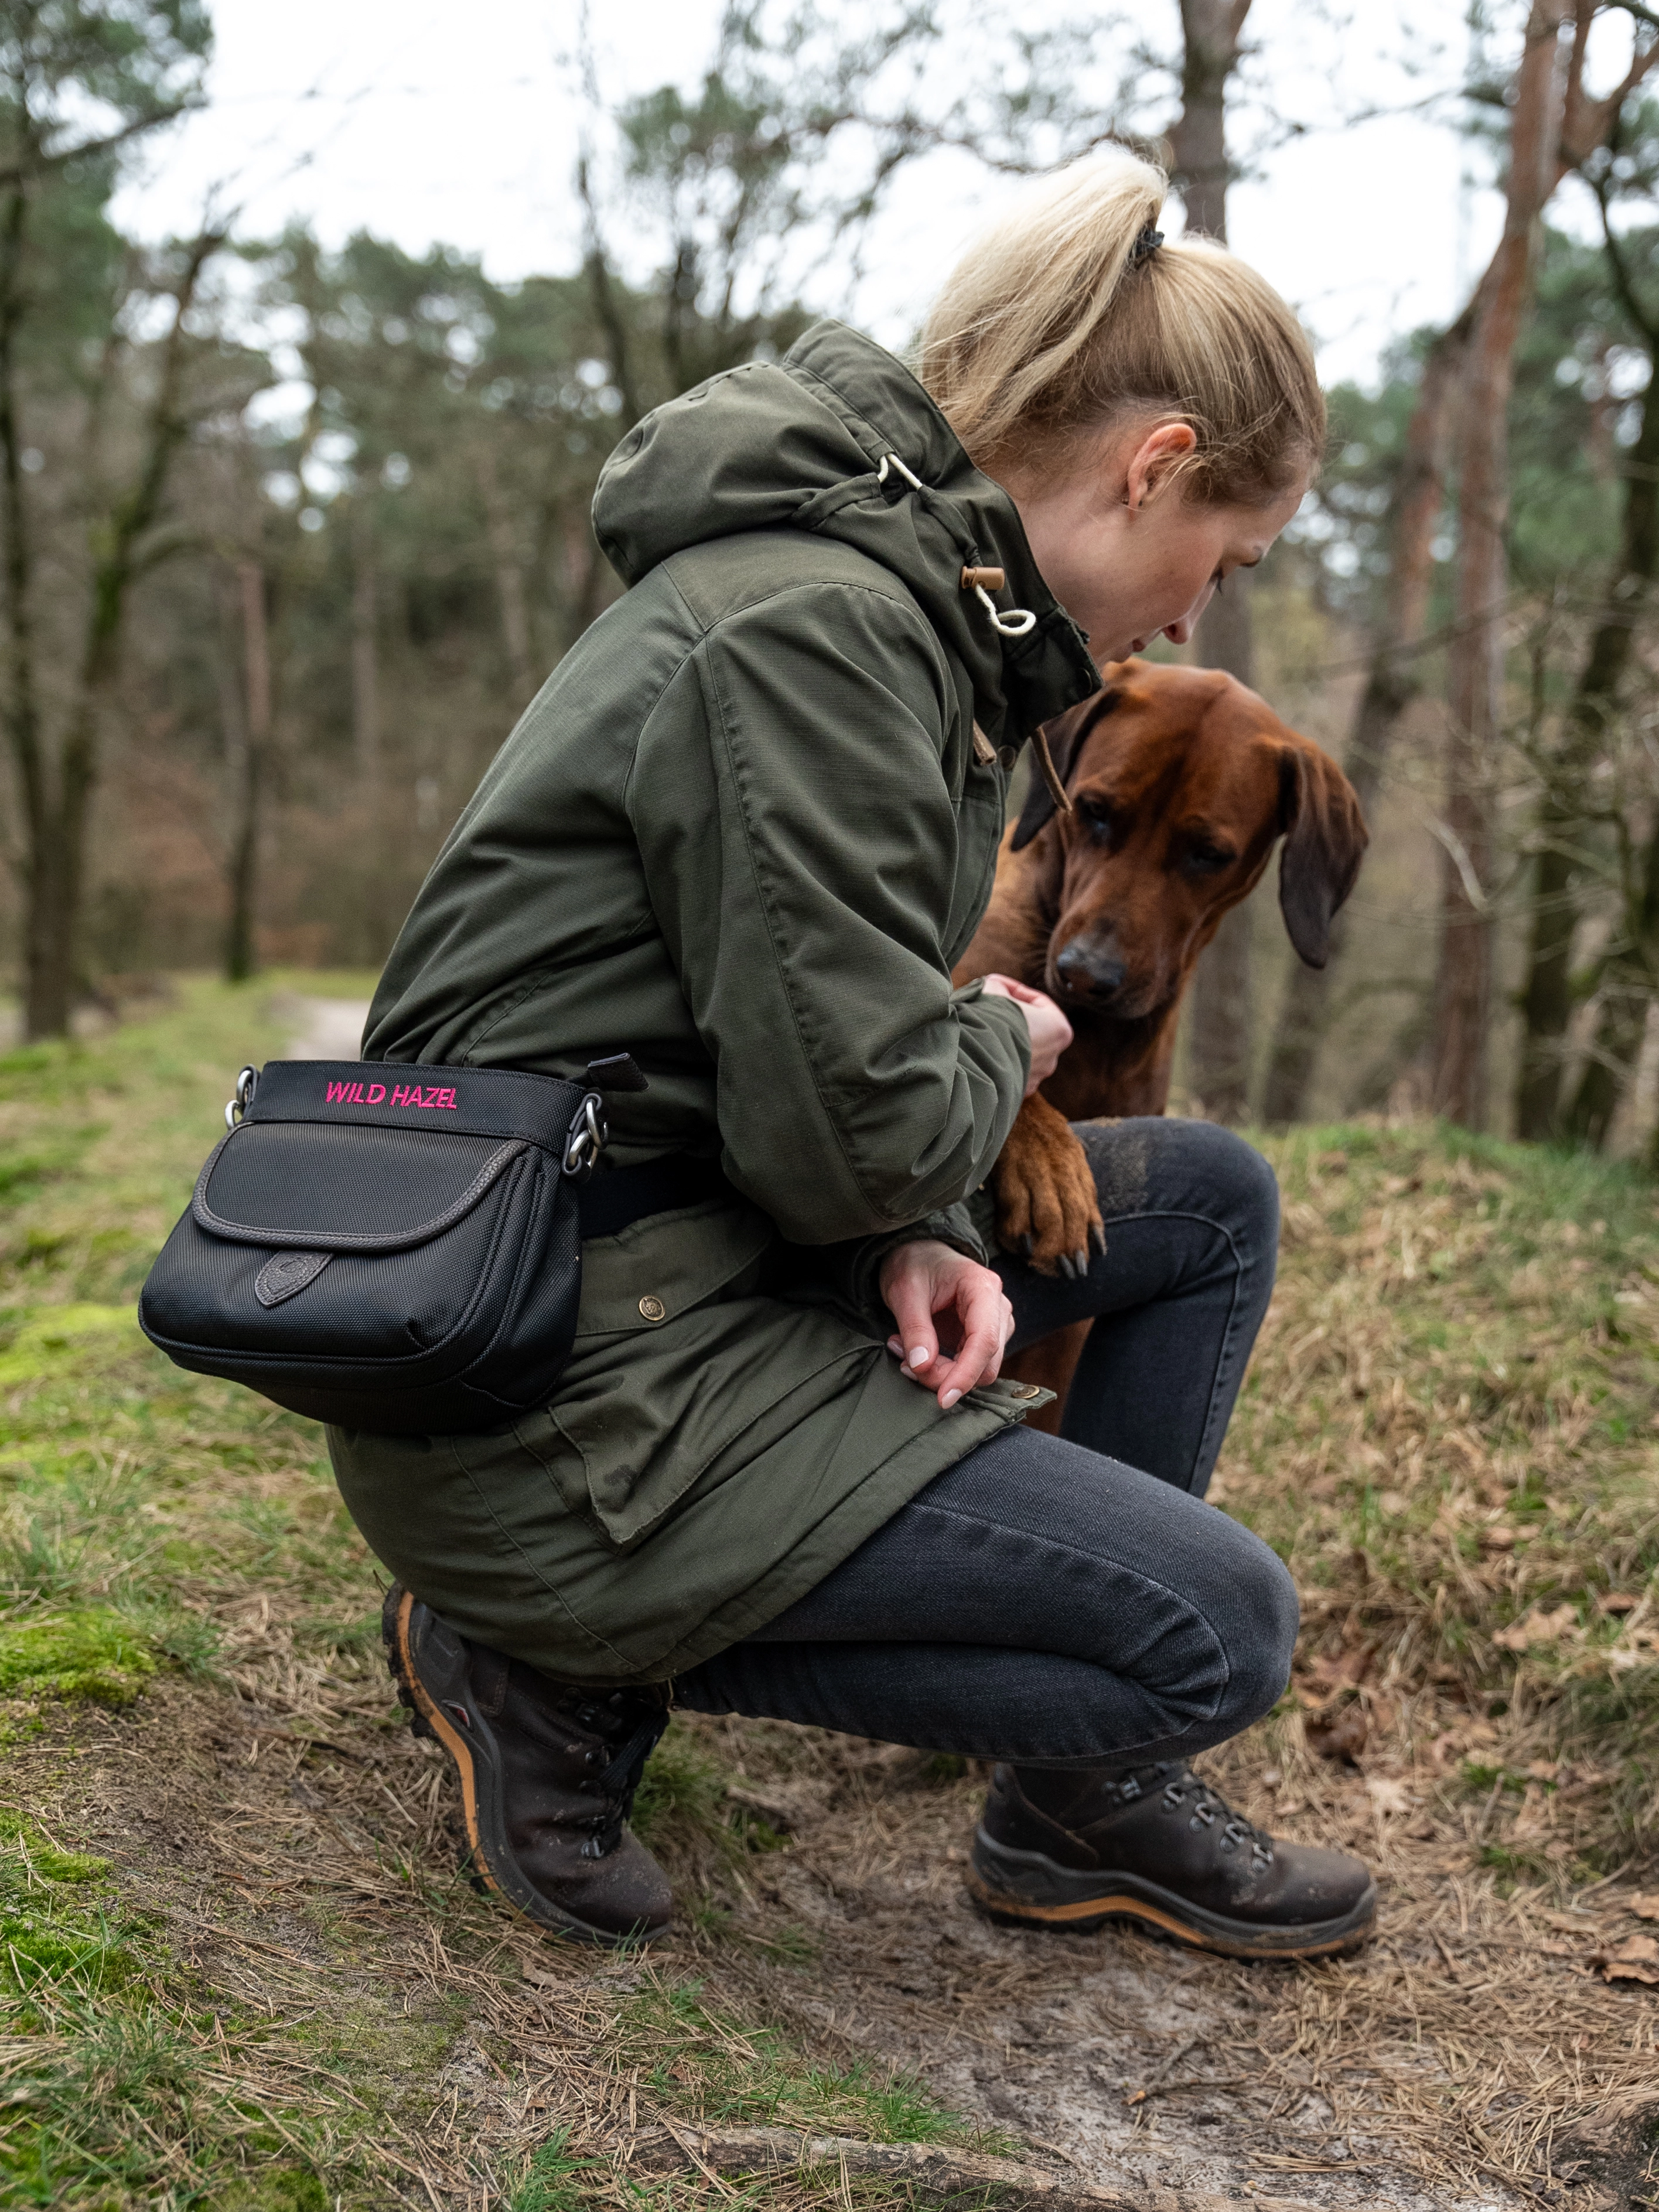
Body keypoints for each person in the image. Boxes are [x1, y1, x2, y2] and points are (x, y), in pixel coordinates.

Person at [338, 150, 1377, 1960]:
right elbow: (860, 1113)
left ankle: (1070, 1818)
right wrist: (1003, 1033)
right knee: (1216, 1636)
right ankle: (544, 1647)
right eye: (1230, 554)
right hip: (558, 1387)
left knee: (1203, 1199)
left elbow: (789, 1074)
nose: (1203, 608)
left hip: (667, 1277)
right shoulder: (814, 639)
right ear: (1153, 470)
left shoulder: (900, 625)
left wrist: (909, 1216)